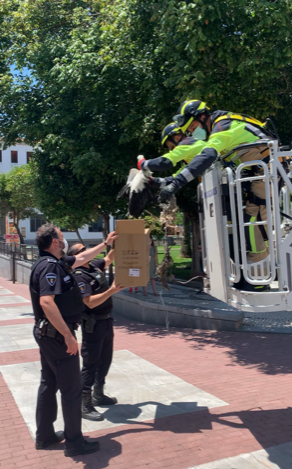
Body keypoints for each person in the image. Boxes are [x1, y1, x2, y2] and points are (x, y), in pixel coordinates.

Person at [138, 100, 277, 270]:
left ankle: (259, 268)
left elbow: (206, 155)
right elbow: (182, 172)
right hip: (260, 173)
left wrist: (145, 166)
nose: (192, 133)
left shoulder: (223, 126)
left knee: (253, 219)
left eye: (193, 127)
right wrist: (155, 183)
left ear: (203, 117)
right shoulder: (218, 128)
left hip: (268, 169)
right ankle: (256, 265)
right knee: (246, 219)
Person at [30, 223, 118, 457]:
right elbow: (46, 303)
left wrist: (106, 244)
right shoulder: (49, 267)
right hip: (58, 336)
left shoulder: (58, 263)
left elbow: (83, 258)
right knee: (71, 390)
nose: (65, 239)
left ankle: (45, 436)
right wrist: (68, 336)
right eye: (62, 236)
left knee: (48, 384)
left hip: (48, 334)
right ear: (56, 242)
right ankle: (75, 443)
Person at [68, 243, 124, 421]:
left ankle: (99, 395)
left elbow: (109, 258)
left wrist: (117, 241)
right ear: (76, 256)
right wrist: (112, 290)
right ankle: (85, 404)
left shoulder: (93, 266)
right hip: (93, 324)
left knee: (105, 360)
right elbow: (89, 302)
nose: (87, 251)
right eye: (82, 250)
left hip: (106, 320)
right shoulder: (79, 275)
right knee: (90, 363)